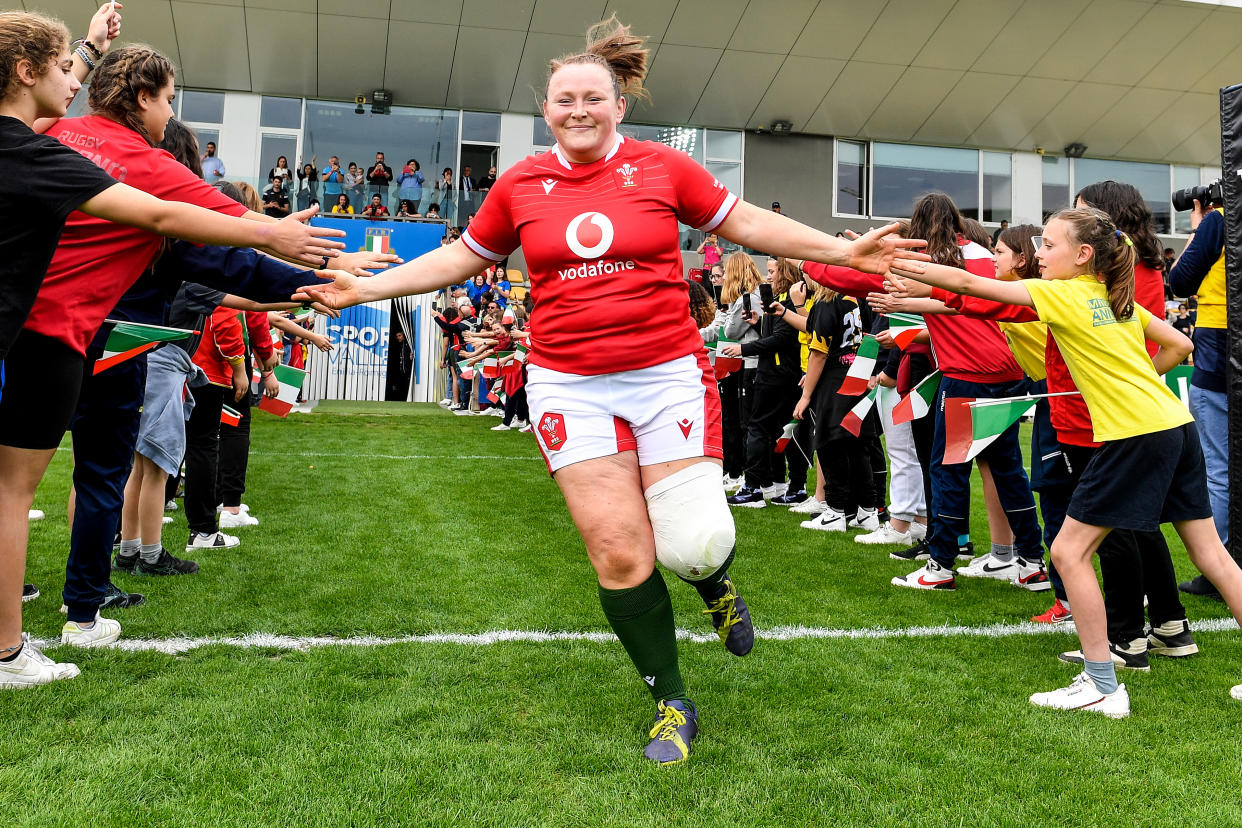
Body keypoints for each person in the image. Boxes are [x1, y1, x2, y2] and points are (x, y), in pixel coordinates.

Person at [296, 15, 921, 764]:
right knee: (621, 555)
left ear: (619, 104)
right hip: (569, 385)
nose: (579, 110)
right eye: (564, 100)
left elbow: (747, 221)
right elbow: (460, 257)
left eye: (593, 98)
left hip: (666, 378)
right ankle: (671, 699)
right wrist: (362, 289)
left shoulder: (662, 169)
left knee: (693, 544)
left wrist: (836, 246)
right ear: (547, 110)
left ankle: (712, 582)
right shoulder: (522, 182)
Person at [0, 19, 347, 687]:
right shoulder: (65, 152)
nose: (68, 82)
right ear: (141, 99)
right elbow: (177, 223)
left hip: (41, 337)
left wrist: (92, 47)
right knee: (21, 492)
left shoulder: (48, 136)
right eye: (167, 97)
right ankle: (16, 647)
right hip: (52, 338)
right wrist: (276, 236)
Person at [888, 206, 1242, 715]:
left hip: (1136, 435)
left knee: (1068, 553)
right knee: (1212, 555)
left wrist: (900, 262)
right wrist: (1130, 381)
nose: (1038, 253)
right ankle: (1109, 674)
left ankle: (1101, 684)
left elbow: (972, 286)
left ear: (1083, 255)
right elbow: (1180, 344)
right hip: (1173, 426)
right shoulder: (1112, 297)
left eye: (1049, 245)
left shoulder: (1069, 293)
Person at [1169, 190, 1232, 598]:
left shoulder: (1220, 220)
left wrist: (1199, 228)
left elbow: (1179, 282)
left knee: (1219, 468)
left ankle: (1219, 570)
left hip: (1219, 346)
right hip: (1221, 343)